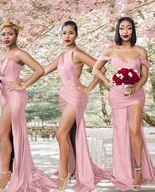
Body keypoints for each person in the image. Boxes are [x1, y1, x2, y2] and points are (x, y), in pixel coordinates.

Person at [43, 20, 109, 191]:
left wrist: (87, 88)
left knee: (60, 134)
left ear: (77, 35)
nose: (67, 36)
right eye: (64, 33)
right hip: (63, 96)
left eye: (71, 32)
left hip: (76, 96)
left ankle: (64, 173)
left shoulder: (77, 53)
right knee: (69, 134)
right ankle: (73, 169)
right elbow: (43, 70)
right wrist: (22, 80)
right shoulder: (62, 55)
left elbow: (101, 67)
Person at [0, 21, 56, 191]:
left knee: (1, 132)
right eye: (3, 34)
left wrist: (23, 85)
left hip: (16, 95)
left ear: (16, 35)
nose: (6, 37)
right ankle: (11, 170)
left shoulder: (19, 53)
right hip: (4, 95)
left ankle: (6, 174)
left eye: (10, 34)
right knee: (8, 134)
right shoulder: (2, 55)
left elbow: (40, 70)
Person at [93, 17, 155, 191]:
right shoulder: (111, 50)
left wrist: (136, 86)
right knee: (121, 132)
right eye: (122, 28)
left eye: (129, 28)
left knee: (134, 130)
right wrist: (107, 82)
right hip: (117, 95)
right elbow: (96, 68)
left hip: (136, 95)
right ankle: (123, 171)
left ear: (133, 31)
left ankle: (138, 170)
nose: (125, 31)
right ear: (118, 31)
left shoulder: (140, 51)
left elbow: (144, 75)